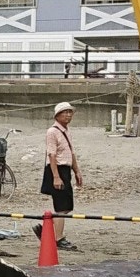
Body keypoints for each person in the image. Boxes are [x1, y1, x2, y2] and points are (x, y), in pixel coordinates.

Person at [39, 101, 83, 250]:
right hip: (56, 169)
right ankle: (58, 238)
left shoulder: (66, 131)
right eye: (65, 112)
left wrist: (76, 171)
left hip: (65, 168)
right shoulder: (52, 132)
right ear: (57, 115)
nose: (68, 115)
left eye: (70, 112)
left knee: (66, 205)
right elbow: (51, 154)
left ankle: (49, 231)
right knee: (61, 206)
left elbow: (71, 152)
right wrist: (56, 176)